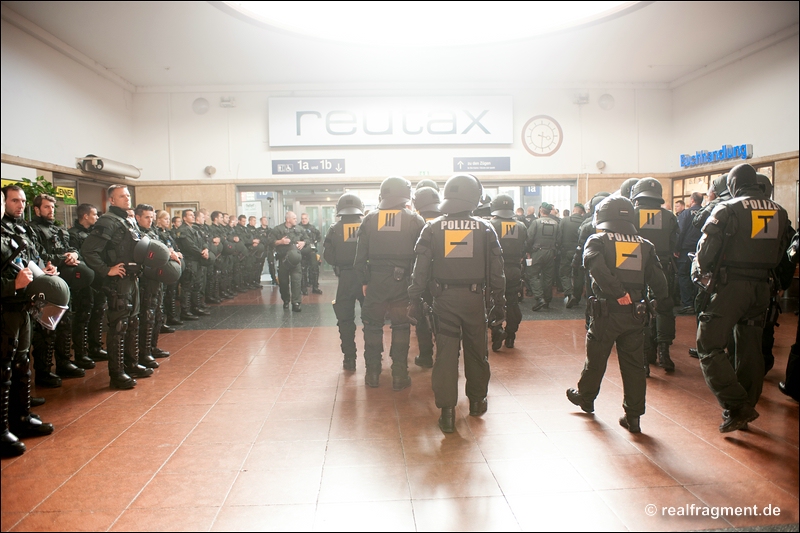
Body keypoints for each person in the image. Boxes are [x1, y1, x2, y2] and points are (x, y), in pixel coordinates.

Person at [693, 163, 791, 432]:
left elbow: (706, 252)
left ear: (733, 185)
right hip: (762, 288)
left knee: (708, 344)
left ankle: (736, 405)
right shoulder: (779, 211)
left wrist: (700, 275)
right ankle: (746, 406)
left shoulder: (727, 208)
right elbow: (784, 250)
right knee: (749, 348)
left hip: (731, 287)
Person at [408, 174, 505, 433]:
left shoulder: (432, 228)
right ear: (474, 197)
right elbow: (497, 272)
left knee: (446, 356)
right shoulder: (486, 228)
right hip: (476, 301)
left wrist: (414, 298)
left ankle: (448, 413)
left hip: (444, 301)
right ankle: (476, 402)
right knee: (477, 353)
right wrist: (500, 303)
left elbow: (420, 270)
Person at [566, 196, 669, 434]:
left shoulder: (598, 240)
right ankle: (633, 416)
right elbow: (661, 283)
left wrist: (619, 292)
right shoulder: (646, 244)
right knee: (634, 366)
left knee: (596, 358)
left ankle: (586, 397)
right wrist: (649, 300)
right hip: (636, 314)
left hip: (607, 312)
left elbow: (596, 269)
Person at [1, 187, 57, 456]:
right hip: (5, 308)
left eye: (22, 201)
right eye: (14, 200)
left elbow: (27, 261)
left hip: (21, 307)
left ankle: (21, 418)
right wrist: (13, 285)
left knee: (22, 363)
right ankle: (2, 430)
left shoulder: (13, 232)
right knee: (3, 370)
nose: (18, 205)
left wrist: (43, 270)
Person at [355, 176, 425, 390]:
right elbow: (421, 260)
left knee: (373, 326)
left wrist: (366, 282)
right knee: (402, 326)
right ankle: (399, 374)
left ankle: (373, 374)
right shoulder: (415, 220)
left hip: (375, 282)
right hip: (403, 283)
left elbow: (359, 259)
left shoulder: (368, 219)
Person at [81, 185, 153, 389]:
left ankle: (131, 364)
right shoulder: (107, 221)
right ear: (111, 200)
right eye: (122, 196)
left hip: (132, 278)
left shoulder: (128, 220)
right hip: (118, 282)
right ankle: (117, 372)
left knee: (133, 323)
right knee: (119, 326)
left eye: (128, 195)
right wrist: (106, 270)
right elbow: (88, 251)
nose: (127, 198)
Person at [27, 194, 88, 386]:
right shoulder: (31, 229)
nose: (50, 210)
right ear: (37, 209)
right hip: (45, 283)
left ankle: (64, 362)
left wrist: (73, 254)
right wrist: (63, 257)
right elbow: (36, 254)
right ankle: (43, 371)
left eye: (52, 207)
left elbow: (71, 247)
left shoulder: (58, 229)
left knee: (65, 323)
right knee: (45, 328)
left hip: (63, 282)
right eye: (46, 207)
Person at [631, 178, 680, 374]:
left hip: (635, 268)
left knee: (639, 309)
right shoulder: (670, 217)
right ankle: (664, 353)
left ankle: (644, 357)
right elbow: (675, 244)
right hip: (663, 267)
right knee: (664, 308)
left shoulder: (631, 215)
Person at [323, 193, 365, 371]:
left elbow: (328, 255)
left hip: (345, 279)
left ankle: (349, 359)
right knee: (371, 320)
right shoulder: (366, 226)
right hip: (365, 278)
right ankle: (373, 362)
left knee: (345, 319)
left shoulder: (334, 228)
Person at [69, 203, 108, 363]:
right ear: (85, 216)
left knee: (98, 313)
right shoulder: (73, 234)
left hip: (98, 279)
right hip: (84, 280)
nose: (97, 218)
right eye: (94, 215)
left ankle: (95, 347)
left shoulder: (94, 233)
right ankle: (81, 352)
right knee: (83, 316)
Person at [489, 194, 526, 350]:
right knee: (512, 302)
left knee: (493, 301)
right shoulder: (521, 226)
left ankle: (497, 331)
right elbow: (525, 248)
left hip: (495, 269)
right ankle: (511, 336)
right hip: (515, 269)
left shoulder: (490, 225)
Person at [411, 185, 442, 367]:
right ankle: (446, 355)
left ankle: (425, 356)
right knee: (444, 319)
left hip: (420, 278)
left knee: (422, 317)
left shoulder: (414, 221)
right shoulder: (445, 220)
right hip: (443, 278)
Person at [175, 209, 210, 320]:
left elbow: (204, 240)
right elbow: (189, 246)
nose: (193, 217)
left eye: (193, 215)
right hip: (190, 260)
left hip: (197, 260)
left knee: (197, 285)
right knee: (187, 286)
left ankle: (196, 307)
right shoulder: (183, 230)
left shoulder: (194, 228)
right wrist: (201, 252)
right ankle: (185, 310)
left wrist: (206, 249)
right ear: (184, 218)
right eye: (190, 215)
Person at [269, 211, 306, 311]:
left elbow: (307, 239)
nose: (296, 220)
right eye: (294, 218)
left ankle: (296, 303)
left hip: (295, 260)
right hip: (283, 260)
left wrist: (304, 243)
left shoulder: (299, 229)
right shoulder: (277, 229)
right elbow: (270, 242)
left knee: (296, 281)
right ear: (288, 219)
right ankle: (286, 300)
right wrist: (280, 242)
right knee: (283, 282)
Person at [526, 202, 560, 311]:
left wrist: (528, 251)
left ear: (541, 210)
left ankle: (539, 298)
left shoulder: (536, 222)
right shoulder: (556, 223)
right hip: (551, 253)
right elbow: (559, 240)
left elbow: (529, 238)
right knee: (548, 277)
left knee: (533, 274)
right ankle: (547, 299)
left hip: (537, 252)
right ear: (550, 211)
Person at [675, 192, 703, 313]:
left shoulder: (685, 214)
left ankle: (687, 304)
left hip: (686, 250)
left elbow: (680, 232)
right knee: (699, 276)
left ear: (692, 200)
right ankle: (699, 303)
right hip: (701, 250)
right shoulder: (707, 212)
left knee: (684, 276)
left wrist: (676, 248)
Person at [558, 203, 586, 308]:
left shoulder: (565, 220)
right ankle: (576, 297)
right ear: (582, 212)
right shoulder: (585, 222)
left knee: (564, 273)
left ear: (573, 210)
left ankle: (569, 294)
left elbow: (559, 235)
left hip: (566, 251)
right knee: (578, 275)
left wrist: (559, 248)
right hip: (580, 253)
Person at [298, 212, 323, 295]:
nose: (304, 220)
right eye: (302, 218)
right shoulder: (297, 227)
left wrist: (315, 242)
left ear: (308, 219)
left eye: (305, 218)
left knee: (315, 268)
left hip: (311, 251)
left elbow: (319, 236)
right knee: (303, 270)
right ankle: (303, 289)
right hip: (302, 251)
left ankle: (315, 287)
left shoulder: (312, 228)